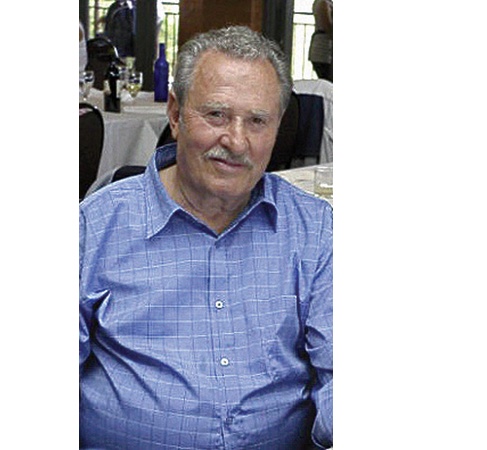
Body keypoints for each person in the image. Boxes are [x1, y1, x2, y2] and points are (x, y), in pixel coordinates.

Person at [80, 25, 333, 450]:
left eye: (257, 121)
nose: (236, 141)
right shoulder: (96, 227)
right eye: (216, 115)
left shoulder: (314, 229)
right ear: (175, 115)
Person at [308, 0, 333, 82]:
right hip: (323, 48)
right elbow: (326, 25)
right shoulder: (323, 3)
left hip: (324, 47)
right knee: (327, 79)